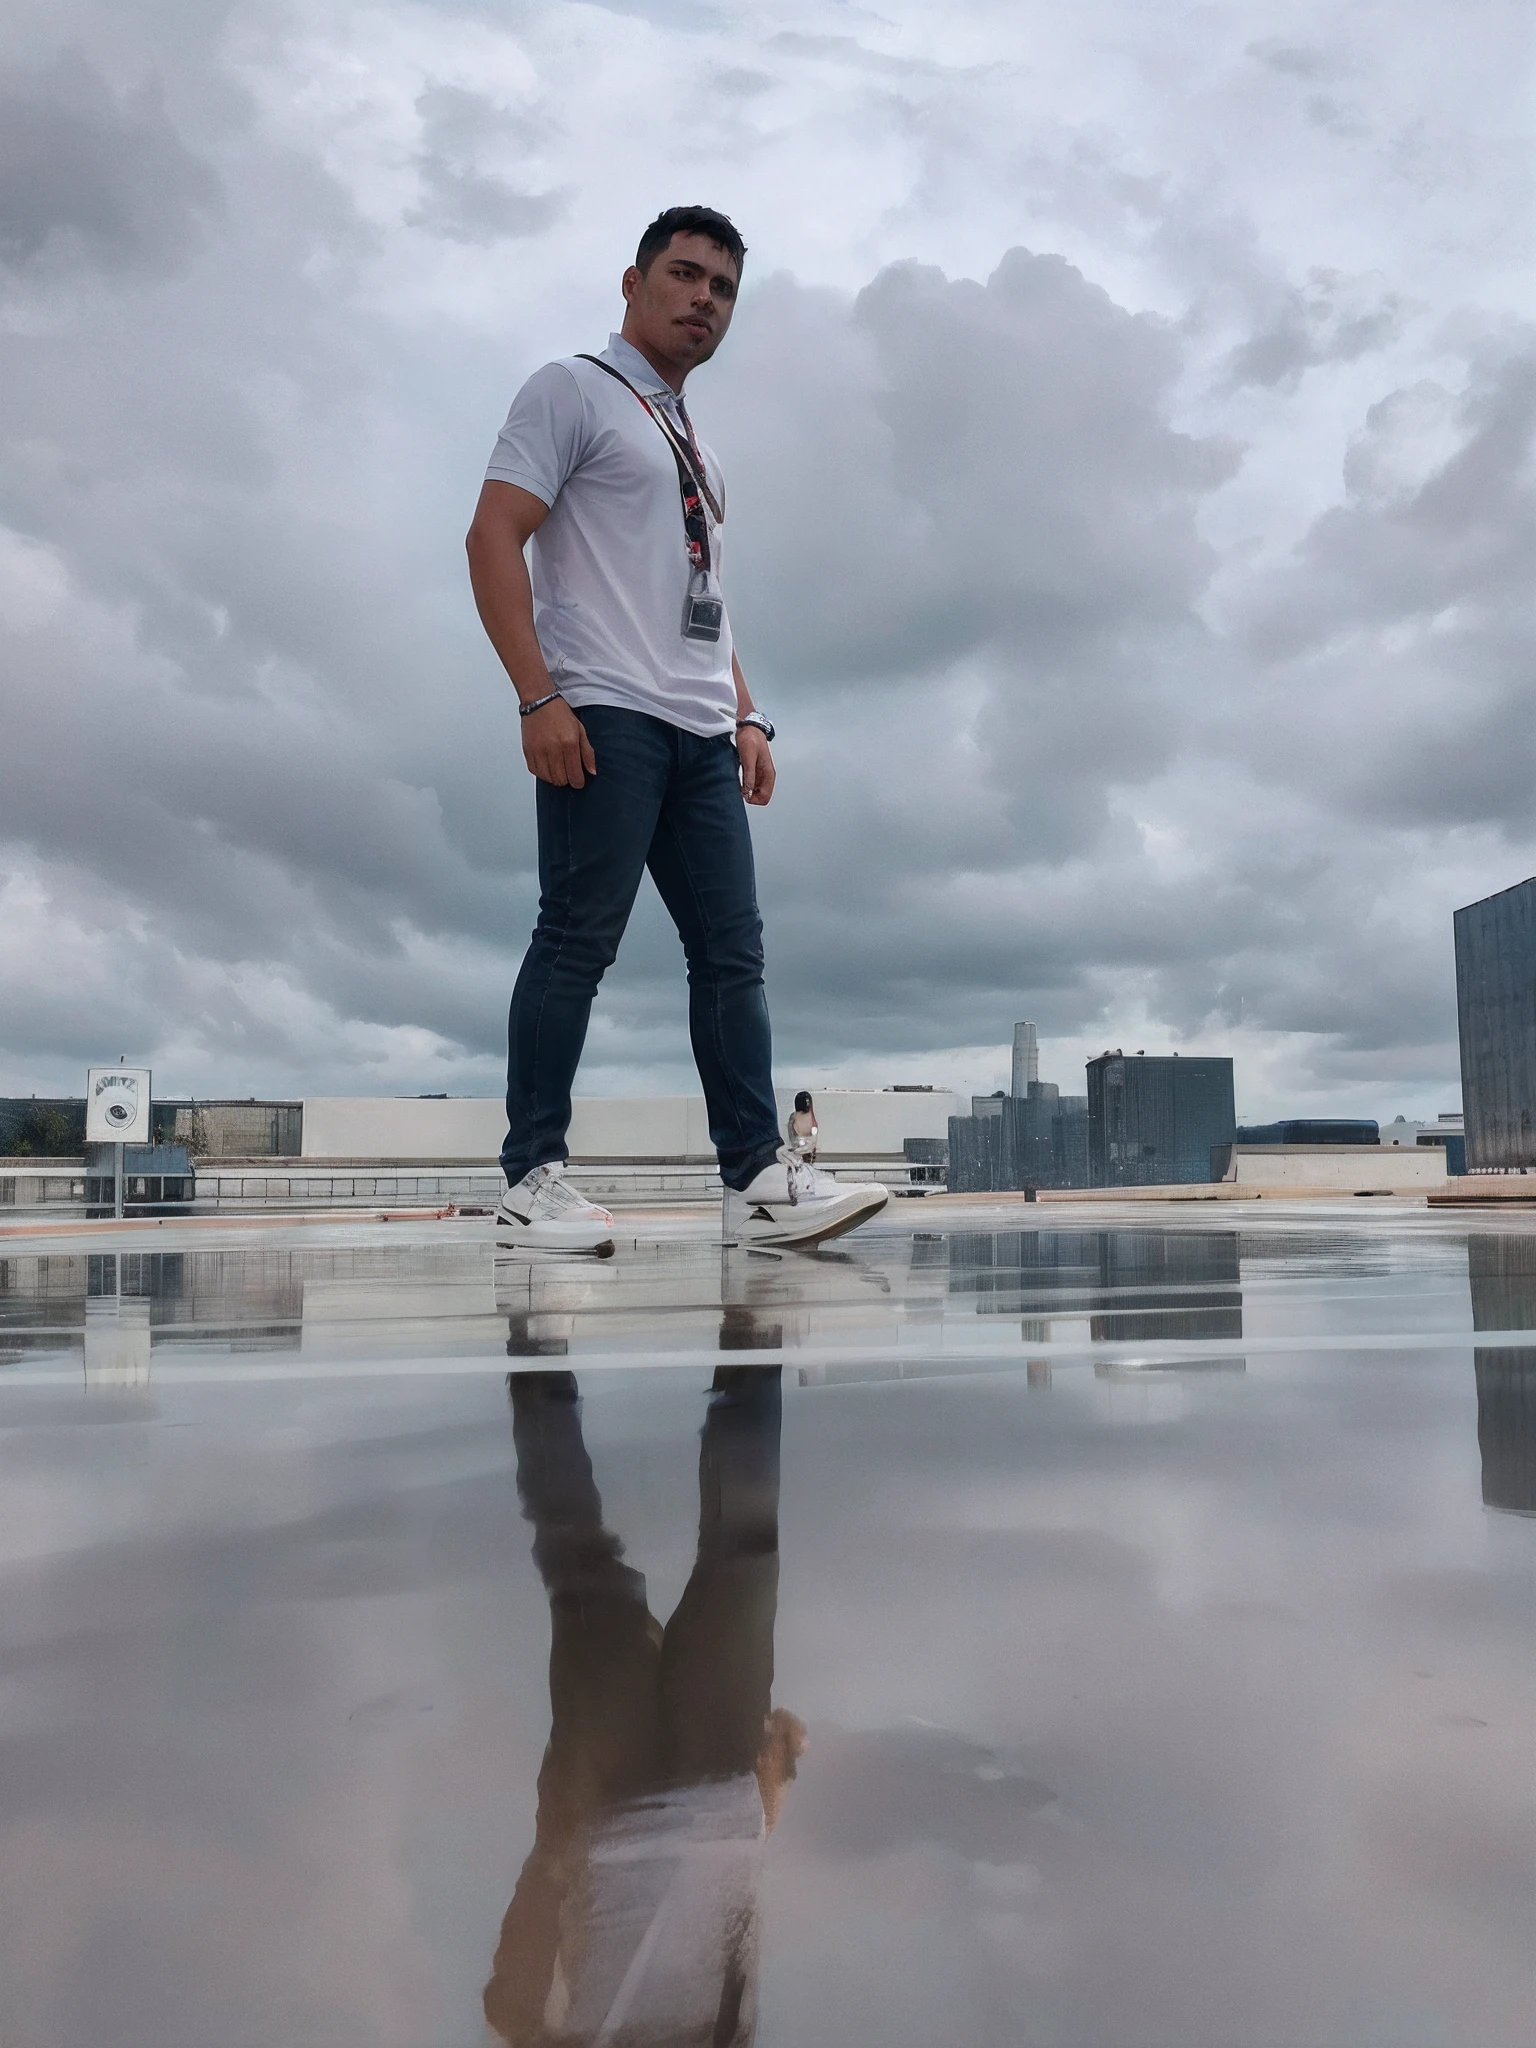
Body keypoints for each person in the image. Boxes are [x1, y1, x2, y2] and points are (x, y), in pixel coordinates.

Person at [466, 205, 889, 1254]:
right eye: (686, 275)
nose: (705, 298)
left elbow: (704, 591)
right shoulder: (571, 390)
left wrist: (744, 710)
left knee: (731, 955)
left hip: (701, 728)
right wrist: (537, 696)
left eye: (724, 288)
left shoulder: (690, 438)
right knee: (578, 938)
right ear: (633, 281)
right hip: (603, 710)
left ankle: (753, 1176)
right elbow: (492, 536)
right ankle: (530, 1179)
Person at [485, 1364, 804, 2046]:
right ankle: (539, 1335)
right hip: (615, 1817)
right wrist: (552, 1847)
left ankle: (752, 1329)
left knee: (741, 1546)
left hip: (708, 1808)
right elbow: (510, 2004)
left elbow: (719, 1947)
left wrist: (762, 1803)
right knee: (580, 1561)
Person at [785, 1089, 818, 1164]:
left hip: (805, 1149)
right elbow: (792, 1135)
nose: (807, 1104)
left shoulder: (811, 1118)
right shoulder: (794, 1117)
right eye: (806, 1102)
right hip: (799, 1149)